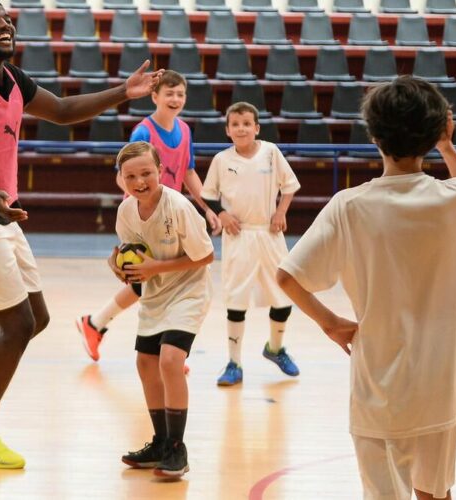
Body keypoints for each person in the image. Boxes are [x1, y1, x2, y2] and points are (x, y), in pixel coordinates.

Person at [0, 0, 164, 470]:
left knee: (36, 316)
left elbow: (65, 111)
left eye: (7, 18)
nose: (4, 24)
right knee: (17, 325)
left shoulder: (14, 79)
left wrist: (123, 93)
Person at [277, 76, 456, 500]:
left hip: (380, 390)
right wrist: (447, 146)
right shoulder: (455, 199)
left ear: (373, 134)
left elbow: (287, 276)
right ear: (435, 133)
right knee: (436, 492)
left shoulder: (350, 205)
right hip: (441, 386)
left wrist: (330, 322)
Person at [76, 70, 220, 362]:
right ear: (154, 96)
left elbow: (189, 172)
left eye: (180, 94)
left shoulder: (185, 131)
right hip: (147, 221)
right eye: (169, 93)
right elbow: (124, 175)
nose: (175, 99)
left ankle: (96, 324)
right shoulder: (144, 132)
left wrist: (208, 208)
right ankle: (168, 347)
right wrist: (139, 208)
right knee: (151, 279)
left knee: (153, 280)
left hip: (173, 217)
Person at [111, 141, 214, 478]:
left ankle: (176, 448)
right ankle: (159, 442)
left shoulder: (179, 206)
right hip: (156, 294)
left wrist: (154, 268)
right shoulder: (126, 211)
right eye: (131, 176)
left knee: (171, 361)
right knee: (145, 363)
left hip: (188, 291)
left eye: (146, 173)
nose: (139, 181)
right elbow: (130, 254)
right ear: (121, 178)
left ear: (159, 171)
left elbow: (206, 256)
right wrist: (117, 265)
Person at [200, 102, 301, 386]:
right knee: (236, 300)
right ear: (228, 130)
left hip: (269, 234)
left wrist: (280, 212)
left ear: (256, 128)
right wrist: (221, 214)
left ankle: (276, 348)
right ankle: (234, 363)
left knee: (282, 295)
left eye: (247, 123)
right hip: (238, 236)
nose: (241, 128)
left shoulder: (271, 152)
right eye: (235, 124)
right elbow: (207, 195)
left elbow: (290, 186)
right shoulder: (222, 159)